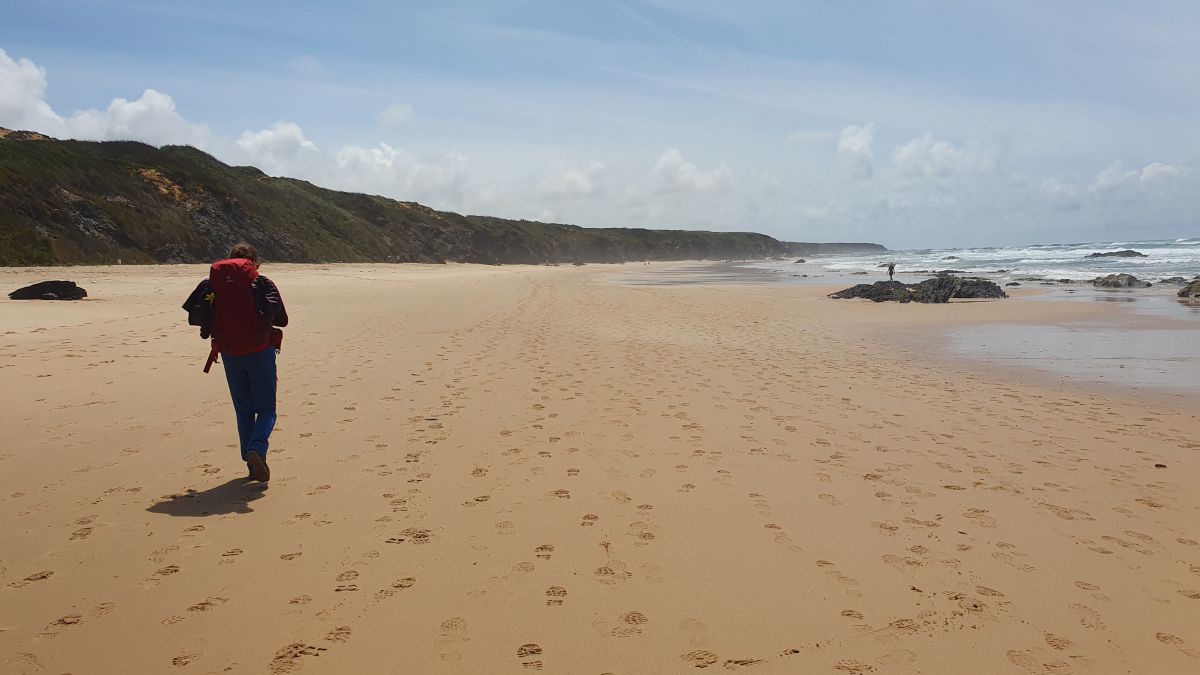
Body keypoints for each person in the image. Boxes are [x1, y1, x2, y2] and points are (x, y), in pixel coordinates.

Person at [183, 242, 287, 482]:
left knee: (244, 410)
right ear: (254, 264)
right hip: (260, 351)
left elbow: (197, 315)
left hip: (229, 353)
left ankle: (250, 465)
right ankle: (257, 449)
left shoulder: (212, 285)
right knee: (267, 409)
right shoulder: (261, 284)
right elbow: (281, 318)